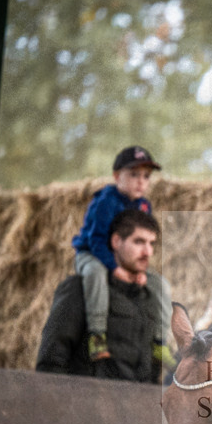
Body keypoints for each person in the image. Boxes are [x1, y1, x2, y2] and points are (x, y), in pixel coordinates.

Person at [71, 145, 174, 369]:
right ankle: (97, 334)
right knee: (95, 274)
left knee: (161, 285)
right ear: (117, 176)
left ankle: (159, 340)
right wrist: (113, 268)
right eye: (134, 174)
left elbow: (140, 243)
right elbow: (97, 239)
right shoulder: (105, 201)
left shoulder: (144, 205)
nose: (141, 181)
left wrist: (139, 271)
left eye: (146, 176)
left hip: (124, 261)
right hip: (92, 254)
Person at [37, 209, 167, 383]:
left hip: (135, 405)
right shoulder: (80, 288)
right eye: (139, 242)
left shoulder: (150, 297)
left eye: (152, 243)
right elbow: (51, 359)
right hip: (86, 404)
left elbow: (153, 367)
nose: (147, 252)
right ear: (116, 241)